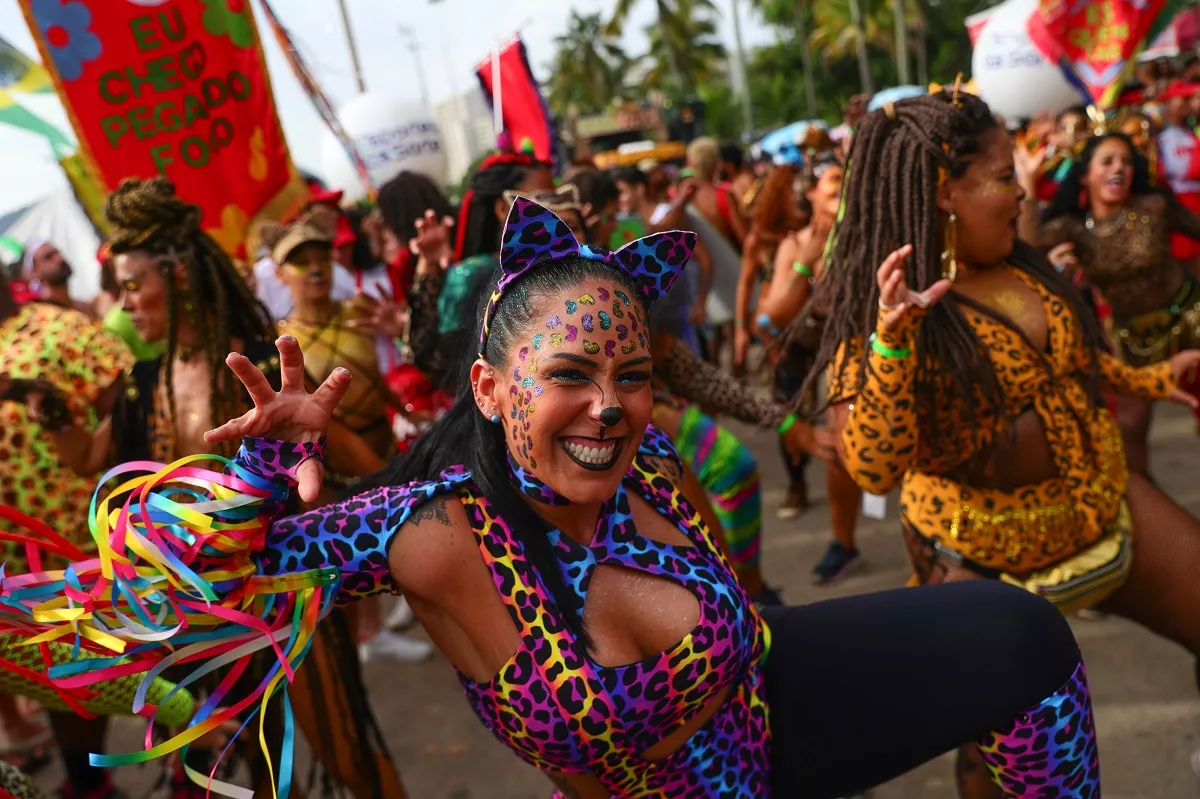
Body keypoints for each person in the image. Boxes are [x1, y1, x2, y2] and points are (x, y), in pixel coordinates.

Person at [2, 197, 1101, 798]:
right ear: (488, 387)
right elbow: (163, 588)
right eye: (570, 377)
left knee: (1023, 638)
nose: (610, 408)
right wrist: (250, 481)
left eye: (631, 375)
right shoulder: (430, 533)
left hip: (774, 715)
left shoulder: (654, 460)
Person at [804, 89, 1200, 798]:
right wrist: (893, 346)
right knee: (1005, 753)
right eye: (1000, 176)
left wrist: (1148, 376)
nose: (1020, 190)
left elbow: (1068, 368)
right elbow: (871, 465)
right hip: (976, 555)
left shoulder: (1025, 261)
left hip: (1099, 501)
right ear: (943, 191)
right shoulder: (887, 306)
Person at [1018, 132, 1200, 473]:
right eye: (1108, 161)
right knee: (1130, 425)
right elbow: (1030, 246)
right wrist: (1028, 181)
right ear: (1086, 175)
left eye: (1127, 161)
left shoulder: (1155, 207)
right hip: (1131, 335)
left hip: (1191, 317)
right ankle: (1146, 512)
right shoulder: (1076, 229)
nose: (1120, 168)